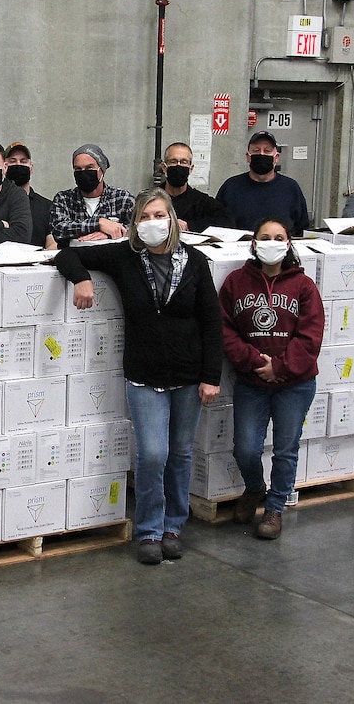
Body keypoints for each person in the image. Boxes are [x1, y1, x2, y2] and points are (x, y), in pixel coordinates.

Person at [55, 188, 222, 564]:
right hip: (145, 375)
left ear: (173, 219)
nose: (152, 223)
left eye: (159, 215)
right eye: (144, 217)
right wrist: (81, 279)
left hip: (190, 374)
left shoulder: (195, 261)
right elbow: (66, 253)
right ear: (133, 224)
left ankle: (173, 527)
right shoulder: (125, 257)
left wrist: (211, 375)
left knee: (180, 454)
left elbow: (212, 321)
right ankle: (149, 529)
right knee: (152, 454)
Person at [218, 216, 324, 540]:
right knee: (246, 449)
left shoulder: (303, 286)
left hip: (295, 384)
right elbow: (225, 330)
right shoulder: (236, 283)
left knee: (285, 449)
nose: (272, 243)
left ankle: (275, 509)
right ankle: (254, 488)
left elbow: (311, 336)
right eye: (265, 237)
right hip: (251, 382)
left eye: (279, 237)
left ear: (289, 244)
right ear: (253, 243)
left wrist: (281, 366)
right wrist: (253, 362)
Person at [215, 131, 310, 236]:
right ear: (248, 157)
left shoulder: (291, 188)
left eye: (267, 151)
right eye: (256, 150)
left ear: (276, 157)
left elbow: (302, 229)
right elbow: (218, 227)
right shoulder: (230, 188)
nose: (261, 154)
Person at [50, 144, 135, 246]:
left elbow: (137, 229)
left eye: (89, 168)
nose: (83, 173)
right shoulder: (64, 199)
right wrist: (99, 223)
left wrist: (111, 233)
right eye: (78, 169)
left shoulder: (122, 199)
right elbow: (58, 229)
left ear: (101, 170)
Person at [160, 141, 233, 233]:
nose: (178, 166)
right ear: (164, 167)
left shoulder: (201, 201)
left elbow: (227, 221)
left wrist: (189, 226)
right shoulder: (151, 198)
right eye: (173, 161)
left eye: (184, 162)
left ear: (191, 169)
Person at [4, 141, 55, 248]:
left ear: (31, 168)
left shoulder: (46, 206)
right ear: (4, 167)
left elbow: (52, 243)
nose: (18, 164)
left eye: (23, 161)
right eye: (12, 161)